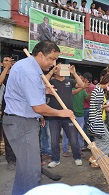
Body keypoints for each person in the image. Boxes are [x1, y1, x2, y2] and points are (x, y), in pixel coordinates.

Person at [2, 40, 75, 195]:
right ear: (40, 55)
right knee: (32, 172)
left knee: (24, 171)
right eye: (51, 59)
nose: (54, 63)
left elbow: (24, 95)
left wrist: (43, 92)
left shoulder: (26, 66)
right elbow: (39, 107)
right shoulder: (28, 71)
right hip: (21, 124)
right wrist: (62, 112)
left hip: (21, 121)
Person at [46, 64, 85, 168]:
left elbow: (82, 85)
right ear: (55, 70)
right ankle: (55, 160)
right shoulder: (51, 81)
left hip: (68, 116)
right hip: (54, 116)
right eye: (60, 68)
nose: (63, 70)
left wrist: (74, 73)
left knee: (73, 139)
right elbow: (41, 82)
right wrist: (51, 71)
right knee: (54, 140)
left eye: (65, 68)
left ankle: (77, 158)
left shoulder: (69, 81)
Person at [88, 74, 109, 156]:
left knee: (99, 141)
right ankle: (100, 159)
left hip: (94, 119)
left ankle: (95, 158)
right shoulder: (99, 90)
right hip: (97, 120)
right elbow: (99, 106)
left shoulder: (97, 88)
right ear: (108, 82)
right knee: (107, 140)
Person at [0, 55, 15, 170]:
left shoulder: (16, 75)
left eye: (10, 61)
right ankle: (10, 160)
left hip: (18, 110)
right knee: (8, 137)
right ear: (2, 64)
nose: (9, 62)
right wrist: (6, 69)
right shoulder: (2, 76)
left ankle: (18, 158)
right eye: (6, 61)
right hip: (5, 111)